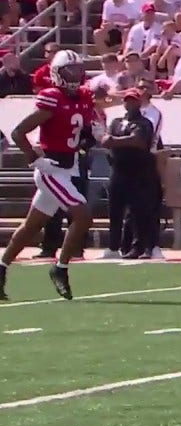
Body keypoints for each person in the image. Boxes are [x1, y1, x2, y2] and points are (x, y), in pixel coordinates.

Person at [0, 51, 96, 301]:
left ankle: (1, 267)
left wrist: (90, 137)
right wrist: (35, 158)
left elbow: (82, 134)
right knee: (82, 213)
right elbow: (18, 132)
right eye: (69, 71)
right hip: (51, 169)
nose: (74, 76)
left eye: (77, 70)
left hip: (68, 167)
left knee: (31, 226)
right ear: (57, 73)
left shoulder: (85, 98)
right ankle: (60, 267)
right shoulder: (52, 98)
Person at [104, 89, 162, 260]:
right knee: (115, 210)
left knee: (138, 211)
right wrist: (113, 142)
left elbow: (138, 140)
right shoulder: (116, 122)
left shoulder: (145, 123)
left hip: (138, 171)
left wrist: (114, 141)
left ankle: (140, 246)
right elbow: (105, 140)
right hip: (118, 169)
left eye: (133, 101)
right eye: (127, 100)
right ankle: (113, 246)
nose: (129, 104)